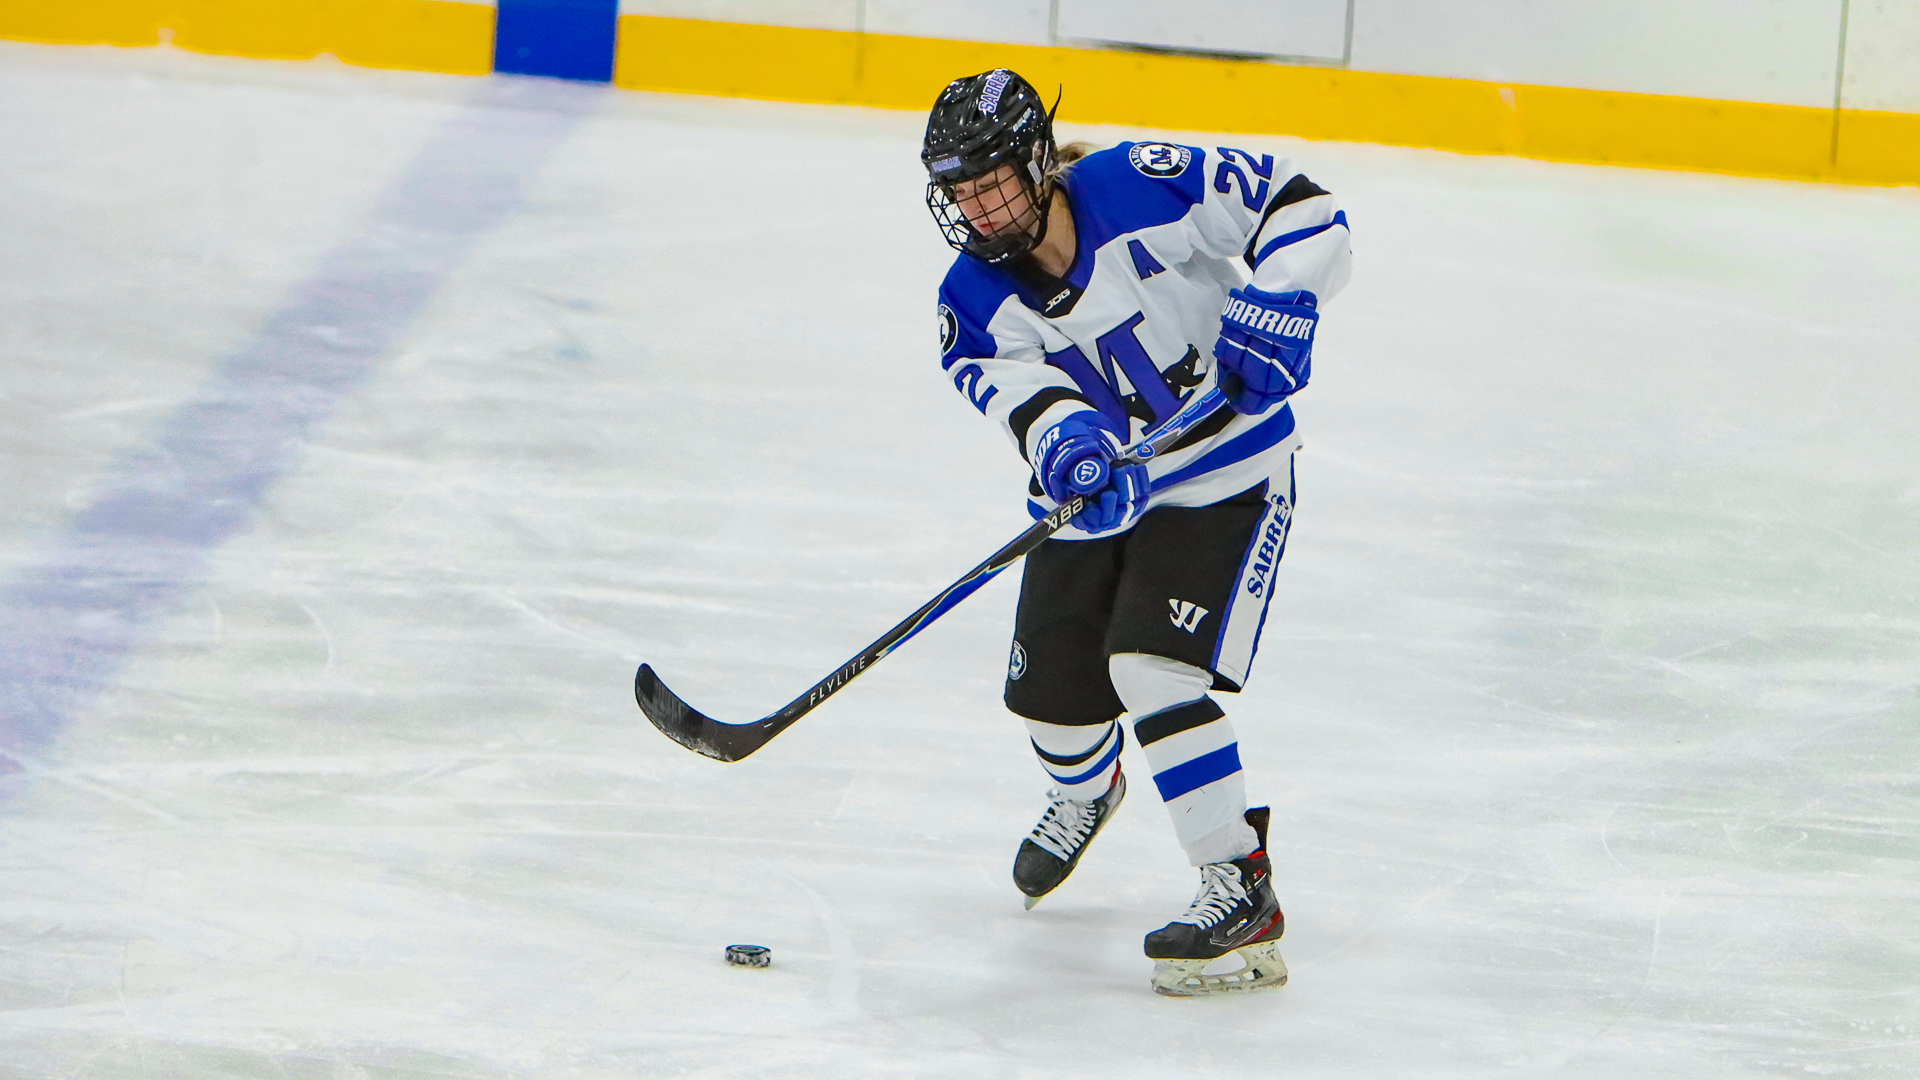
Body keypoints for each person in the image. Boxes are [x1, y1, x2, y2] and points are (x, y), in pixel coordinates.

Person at [920, 69, 1352, 996]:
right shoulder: (971, 300)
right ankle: (1086, 791)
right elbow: (1020, 397)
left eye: (992, 179)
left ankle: (1238, 885)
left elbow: (1302, 204)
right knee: (1050, 703)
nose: (978, 207)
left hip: (1227, 476)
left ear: (1038, 161)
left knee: (1149, 669)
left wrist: (1285, 294)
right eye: (959, 190)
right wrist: (1066, 441)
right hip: (1114, 488)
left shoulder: (1143, 183)